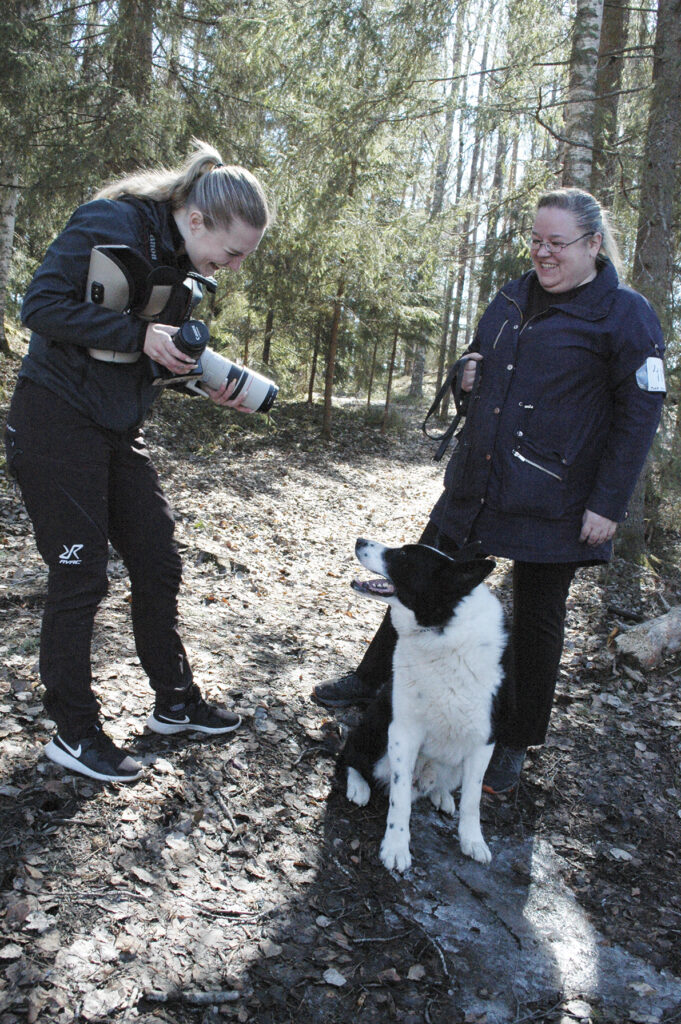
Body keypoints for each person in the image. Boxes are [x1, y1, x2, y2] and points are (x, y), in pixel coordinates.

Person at [314, 187, 666, 795]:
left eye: (556, 243)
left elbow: (640, 415)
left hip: (557, 497)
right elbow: (482, 363)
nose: (542, 254)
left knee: (537, 618)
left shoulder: (625, 314)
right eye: (535, 240)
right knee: (414, 575)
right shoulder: (510, 296)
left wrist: (608, 503)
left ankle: (515, 740)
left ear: (593, 244)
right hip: (478, 480)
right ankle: (373, 681)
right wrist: (464, 375)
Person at [4, 140, 271, 783]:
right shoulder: (112, 221)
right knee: (81, 577)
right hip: (54, 421)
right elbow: (38, 307)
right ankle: (73, 730)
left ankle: (174, 703)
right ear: (199, 218)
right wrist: (140, 337)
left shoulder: (184, 261)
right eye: (232, 252)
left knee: (157, 558)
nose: (233, 267)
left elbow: (138, 355)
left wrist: (200, 379)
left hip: (116, 430)